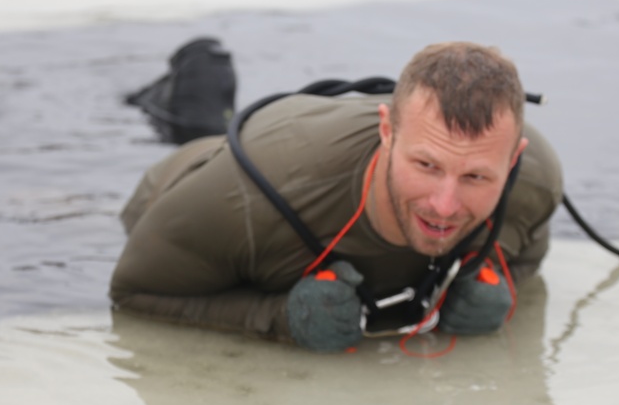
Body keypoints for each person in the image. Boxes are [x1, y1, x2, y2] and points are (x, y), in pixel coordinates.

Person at [110, 41, 564, 352]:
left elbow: (523, 260)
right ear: (387, 132)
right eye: (426, 166)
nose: (444, 206)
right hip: (192, 186)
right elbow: (134, 292)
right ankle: (197, 68)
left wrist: (496, 290)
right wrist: (280, 318)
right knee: (197, 126)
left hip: (299, 158)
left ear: (513, 160)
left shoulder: (534, 182)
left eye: (476, 177)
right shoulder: (251, 197)